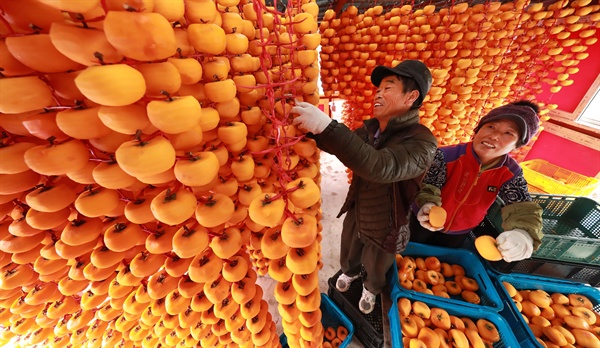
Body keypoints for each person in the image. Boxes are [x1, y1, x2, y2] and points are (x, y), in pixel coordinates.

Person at [291, 60, 438, 314]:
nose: (378, 93)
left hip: (389, 220)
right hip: (359, 206)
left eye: (388, 87)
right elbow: (345, 148)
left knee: (376, 262)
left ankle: (371, 289)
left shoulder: (422, 141)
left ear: (411, 96)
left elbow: (382, 166)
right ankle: (349, 273)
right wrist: (312, 131)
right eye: (378, 88)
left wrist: (327, 126)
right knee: (348, 247)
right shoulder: (371, 129)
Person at [411, 100, 544, 262]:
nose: (494, 136)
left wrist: (524, 234)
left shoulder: (510, 173)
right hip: (420, 221)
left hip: (459, 232)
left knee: (437, 265)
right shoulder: (446, 155)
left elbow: (522, 206)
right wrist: (427, 204)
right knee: (405, 257)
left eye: (508, 133)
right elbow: (429, 185)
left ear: (517, 145)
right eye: (491, 126)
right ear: (478, 129)